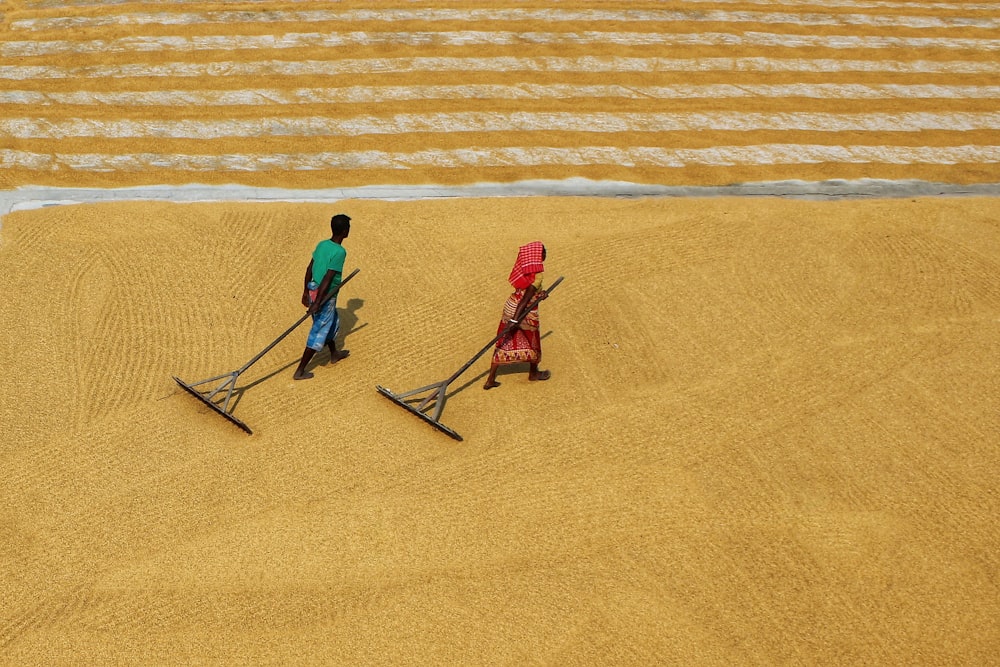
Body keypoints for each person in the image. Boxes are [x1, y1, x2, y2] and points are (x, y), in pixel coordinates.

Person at [483, 241, 551, 390]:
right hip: (522, 311)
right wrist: (515, 319)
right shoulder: (537, 275)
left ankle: (490, 379)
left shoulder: (524, 270)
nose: (545, 256)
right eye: (544, 253)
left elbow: (527, 292)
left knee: (503, 342)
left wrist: (541, 294)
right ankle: (533, 373)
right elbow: (526, 299)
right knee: (533, 342)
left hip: (510, 305)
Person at [293, 214, 351, 380]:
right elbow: (328, 277)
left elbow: (309, 267)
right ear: (346, 231)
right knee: (319, 330)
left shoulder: (322, 244)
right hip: (325, 296)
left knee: (331, 323)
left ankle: (334, 354)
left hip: (312, 288)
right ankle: (300, 370)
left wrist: (306, 291)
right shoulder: (340, 252)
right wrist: (318, 302)